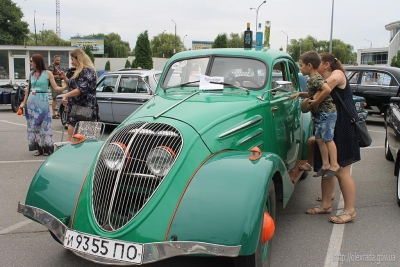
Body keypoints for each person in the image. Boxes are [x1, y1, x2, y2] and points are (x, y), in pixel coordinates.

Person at [306, 53, 360, 224]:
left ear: (327, 64)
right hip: (328, 126)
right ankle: (326, 204)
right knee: (326, 167)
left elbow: (325, 88)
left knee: (342, 171)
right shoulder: (320, 80)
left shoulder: (337, 75)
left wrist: (310, 97)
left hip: (343, 127)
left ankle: (350, 211)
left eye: (318, 64)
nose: (315, 66)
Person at [289, 51, 342, 180]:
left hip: (327, 112)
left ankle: (335, 165)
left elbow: (327, 89)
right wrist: (301, 94)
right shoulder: (312, 79)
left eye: (300, 65)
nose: (299, 68)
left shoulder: (317, 78)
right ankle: (325, 164)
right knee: (319, 138)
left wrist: (317, 102)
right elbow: (312, 93)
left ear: (309, 65)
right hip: (320, 114)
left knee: (328, 138)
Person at [19, 54, 67, 156]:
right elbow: (28, 89)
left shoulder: (48, 73)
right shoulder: (31, 74)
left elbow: (55, 87)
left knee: (45, 125)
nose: (30, 63)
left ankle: (47, 148)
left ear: (37, 62)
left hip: (43, 101)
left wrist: (66, 86)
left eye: (31, 61)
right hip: (32, 102)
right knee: (34, 126)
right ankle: (39, 148)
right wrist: (24, 102)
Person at [59, 48, 99, 141]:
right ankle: (67, 154)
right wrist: (65, 78)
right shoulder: (79, 71)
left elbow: (81, 89)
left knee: (87, 139)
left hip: (86, 110)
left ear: (78, 59)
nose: (72, 62)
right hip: (75, 108)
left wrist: (66, 95)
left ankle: (75, 154)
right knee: (71, 134)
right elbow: (74, 86)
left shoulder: (89, 71)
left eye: (72, 59)